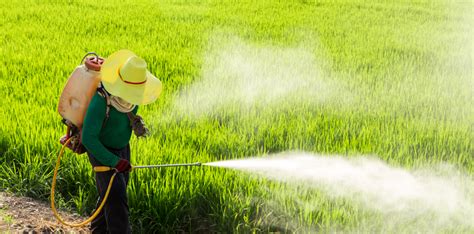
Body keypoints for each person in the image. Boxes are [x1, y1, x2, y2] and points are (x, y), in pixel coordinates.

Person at [81, 49, 162, 234]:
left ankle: (97, 231)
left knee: (110, 196)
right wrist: (113, 161)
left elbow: (124, 115)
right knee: (117, 202)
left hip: (123, 150)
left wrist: (134, 122)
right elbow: (88, 139)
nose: (135, 95)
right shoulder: (101, 101)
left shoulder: (133, 100)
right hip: (102, 152)